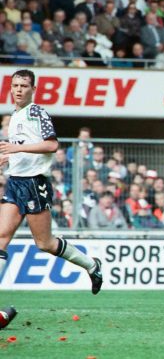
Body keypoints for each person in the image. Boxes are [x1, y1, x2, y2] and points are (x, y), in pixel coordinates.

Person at [0, 70, 102, 300]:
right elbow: (25, 146)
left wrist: (15, 149)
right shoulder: (15, 116)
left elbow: (51, 145)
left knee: (44, 243)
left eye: (24, 86)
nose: (18, 89)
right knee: (1, 237)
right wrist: (9, 157)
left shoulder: (37, 112)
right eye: (15, 85)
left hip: (35, 183)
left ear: (33, 90)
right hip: (15, 182)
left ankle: (92, 265)